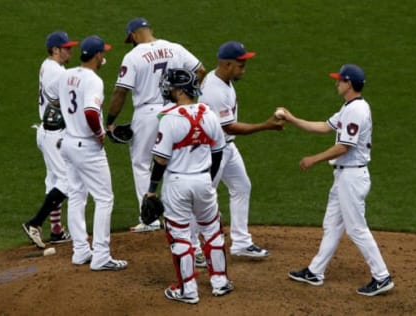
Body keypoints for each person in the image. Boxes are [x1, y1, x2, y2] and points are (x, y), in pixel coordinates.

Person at [283, 64, 394, 296]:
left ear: (349, 83)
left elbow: (344, 146)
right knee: (332, 224)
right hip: (344, 175)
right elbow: (324, 127)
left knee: (356, 229)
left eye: (339, 80)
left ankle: (382, 276)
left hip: (352, 176)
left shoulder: (356, 110)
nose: (336, 83)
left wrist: (314, 159)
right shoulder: (349, 107)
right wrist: (292, 119)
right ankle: (315, 271)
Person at [106, 17, 206, 233]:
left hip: (147, 114)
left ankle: (149, 219)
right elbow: (201, 70)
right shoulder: (175, 48)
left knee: (142, 164)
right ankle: (180, 215)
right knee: (176, 162)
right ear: (149, 30)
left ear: (133, 35)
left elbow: (120, 91)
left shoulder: (133, 56)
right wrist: (186, 97)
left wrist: (110, 122)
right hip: (175, 109)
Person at [146, 68, 232, 304]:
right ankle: (220, 282)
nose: (168, 91)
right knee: (212, 230)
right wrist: (209, 181)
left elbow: (161, 159)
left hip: (177, 184)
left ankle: (188, 290)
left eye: (172, 87)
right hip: (204, 182)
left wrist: (152, 189)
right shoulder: (210, 114)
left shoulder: (170, 119)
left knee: (180, 235)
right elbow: (217, 154)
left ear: (180, 91)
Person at [195, 41, 284, 258]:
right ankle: (193, 248)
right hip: (212, 151)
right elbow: (230, 126)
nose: (244, 68)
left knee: (242, 186)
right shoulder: (216, 91)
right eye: (240, 64)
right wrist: (267, 125)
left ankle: (241, 243)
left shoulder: (223, 80)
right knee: (204, 198)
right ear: (226, 64)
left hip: (226, 146)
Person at [46, 35, 127, 271]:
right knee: (104, 198)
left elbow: (55, 102)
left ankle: (80, 251)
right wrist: (100, 133)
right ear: (97, 56)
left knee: (77, 196)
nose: (105, 56)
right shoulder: (93, 80)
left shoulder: (66, 75)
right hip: (87, 147)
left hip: (68, 143)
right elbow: (91, 112)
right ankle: (101, 255)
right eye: (103, 53)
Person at [22, 31, 76, 248]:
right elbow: (71, 91)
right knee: (67, 182)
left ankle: (56, 231)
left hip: (47, 132)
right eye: (67, 47)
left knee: (53, 180)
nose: (70, 50)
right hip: (54, 135)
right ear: (56, 50)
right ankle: (34, 223)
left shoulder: (50, 66)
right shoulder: (55, 73)